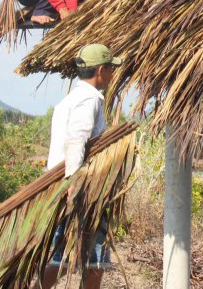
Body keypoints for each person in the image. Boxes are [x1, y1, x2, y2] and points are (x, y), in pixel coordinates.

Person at [41, 43, 123, 289]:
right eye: (110, 69)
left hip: (65, 186)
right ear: (100, 70)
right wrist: (75, 181)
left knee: (61, 257)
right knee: (94, 262)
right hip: (81, 190)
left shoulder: (69, 100)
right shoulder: (89, 100)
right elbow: (77, 139)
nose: (112, 75)